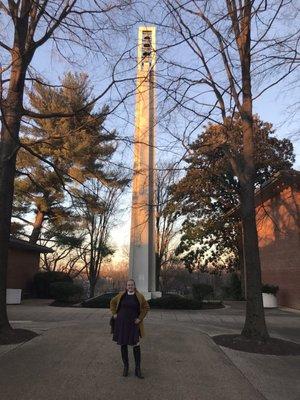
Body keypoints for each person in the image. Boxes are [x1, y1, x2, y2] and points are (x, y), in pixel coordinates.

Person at [110, 279, 150, 378]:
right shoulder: (121, 295)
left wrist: (140, 318)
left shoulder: (139, 296)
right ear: (126, 286)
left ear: (134, 286)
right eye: (128, 285)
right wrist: (114, 313)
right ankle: (126, 367)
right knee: (123, 344)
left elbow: (146, 307)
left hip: (133, 324)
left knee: (136, 345)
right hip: (122, 323)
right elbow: (112, 302)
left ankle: (137, 369)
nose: (130, 287)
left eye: (132, 285)